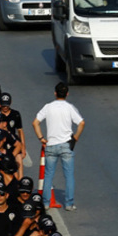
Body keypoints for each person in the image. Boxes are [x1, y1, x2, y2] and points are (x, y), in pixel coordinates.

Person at [32, 83, 85, 211]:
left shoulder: (48, 107)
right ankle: (69, 203)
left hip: (51, 145)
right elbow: (81, 123)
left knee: (48, 175)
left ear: (55, 93)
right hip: (66, 145)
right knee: (69, 175)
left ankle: (45, 202)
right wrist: (75, 138)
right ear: (67, 94)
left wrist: (41, 138)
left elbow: (35, 123)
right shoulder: (69, 107)